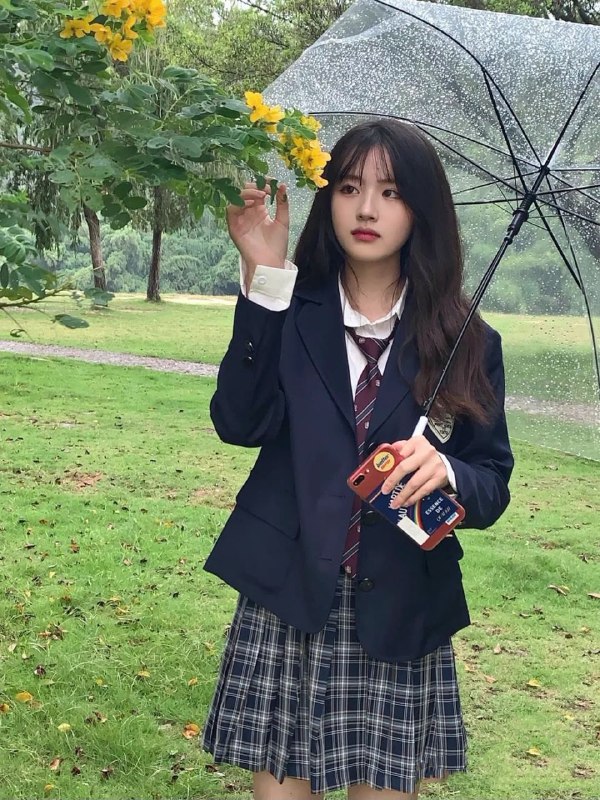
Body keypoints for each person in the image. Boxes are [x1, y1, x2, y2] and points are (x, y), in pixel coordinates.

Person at [202, 119, 514, 800]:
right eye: (348, 187)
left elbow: (492, 481)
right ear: (328, 199)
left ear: (421, 209)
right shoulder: (290, 308)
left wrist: (448, 472)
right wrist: (264, 277)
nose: (366, 209)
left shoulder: (465, 340)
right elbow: (239, 422)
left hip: (401, 604)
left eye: (391, 192)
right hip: (290, 593)